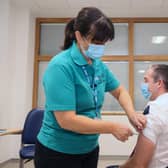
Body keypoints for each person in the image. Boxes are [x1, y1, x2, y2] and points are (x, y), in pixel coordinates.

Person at [34, 7, 146, 168]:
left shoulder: (97, 65)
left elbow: (119, 91)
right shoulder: (60, 66)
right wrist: (112, 127)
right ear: (79, 36)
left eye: (103, 43)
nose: (100, 47)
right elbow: (67, 120)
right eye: (95, 42)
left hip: (89, 148)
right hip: (58, 152)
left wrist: (131, 114)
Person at [118, 64, 168, 168]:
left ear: (159, 83)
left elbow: (138, 164)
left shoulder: (155, 109)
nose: (143, 85)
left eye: (146, 80)